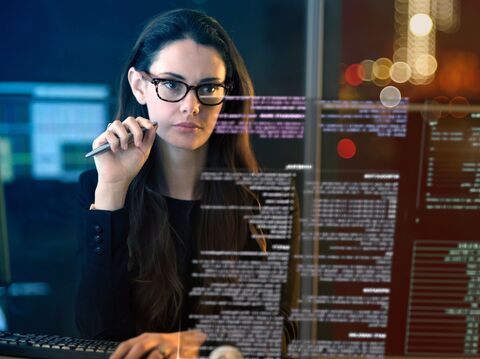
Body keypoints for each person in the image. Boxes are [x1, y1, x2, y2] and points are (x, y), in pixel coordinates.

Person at [75, 8, 299, 359]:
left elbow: (280, 332)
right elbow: (95, 332)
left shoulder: (267, 199)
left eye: (208, 87)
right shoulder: (99, 187)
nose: (191, 106)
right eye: (172, 84)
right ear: (140, 85)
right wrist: (113, 189)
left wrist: (193, 343)